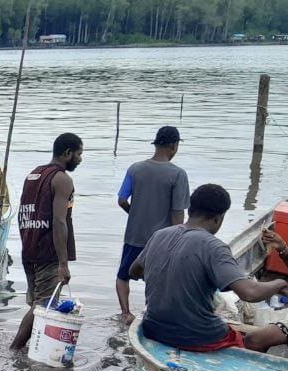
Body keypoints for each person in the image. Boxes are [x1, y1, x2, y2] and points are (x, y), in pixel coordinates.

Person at [130, 183, 288, 352]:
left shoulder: (159, 235)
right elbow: (250, 293)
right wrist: (280, 283)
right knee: (263, 336)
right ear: (217, 219)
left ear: (190, 210)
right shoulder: (215, 247)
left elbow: (133, 272)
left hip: (153, 330)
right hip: (199, 338)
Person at [11, 133, 82, 350]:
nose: (80, 159)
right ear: (67, 153)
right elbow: (59, 221)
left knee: (37, 304)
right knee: (42, 306)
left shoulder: (34, 174)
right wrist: (63, 263)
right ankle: (15, 350)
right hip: (47, 253)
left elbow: (24, 213)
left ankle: (32, 350)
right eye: (79, 154)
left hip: (30, 250)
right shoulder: (62, 179)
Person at [115, 126, 190, 324]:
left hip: (134, 235)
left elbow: (122, 200)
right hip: (161, 239)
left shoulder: (135, 168)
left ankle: (125, 313)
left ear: (156, 144)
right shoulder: (178, 174)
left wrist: (136, 214)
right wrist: (179, 239)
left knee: (123, 275)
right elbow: (177, 212)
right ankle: (151, 312)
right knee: (159, 279)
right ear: (173, 146)